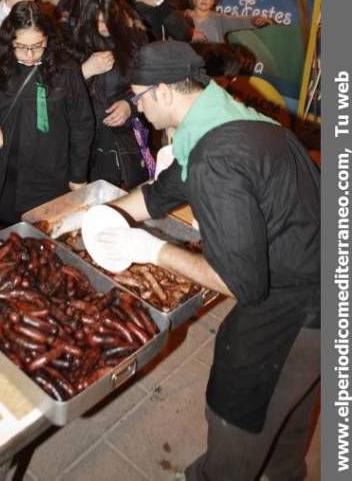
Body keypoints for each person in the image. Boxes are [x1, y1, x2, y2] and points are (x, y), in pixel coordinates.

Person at [94, 41, 319, 481]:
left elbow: (242, 284)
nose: (137, 111)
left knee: (240, 402)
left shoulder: (217, 159)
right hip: (319, 269)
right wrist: (102, 216)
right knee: (291, 407)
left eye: (138, 98)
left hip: (300, 308)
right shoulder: (226, 117)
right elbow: (161, 193)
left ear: (163, 91)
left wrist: (151, 250)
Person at [0, 2, 94, 224]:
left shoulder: (64, 68)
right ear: (9, 41)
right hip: (5, 175)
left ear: (48, 38)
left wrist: (78, 176)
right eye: (20, 46)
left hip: (50, 177)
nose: (29, 55)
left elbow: (82, 124)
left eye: (38, 46)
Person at [66, 0, 149, 188]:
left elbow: (150, 84)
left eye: (108, 19)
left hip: (123, 138)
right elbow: (50, 95)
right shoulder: (66, 41)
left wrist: (130, 105)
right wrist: (84, 71)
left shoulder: (134, 39)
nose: (103, 27)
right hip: (81, 140)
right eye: (97, 21)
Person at [186, 0, 274, 42]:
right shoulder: (183, 17)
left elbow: (239, 21)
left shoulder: (219, 19)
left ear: (214, 1)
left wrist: (254, 21)